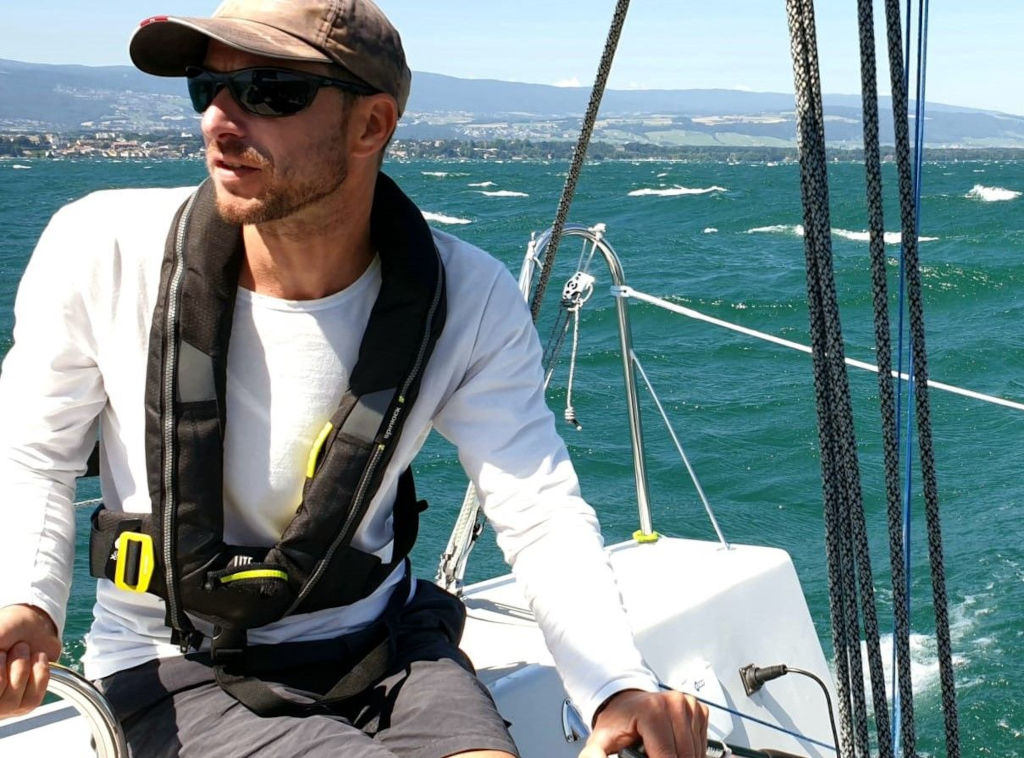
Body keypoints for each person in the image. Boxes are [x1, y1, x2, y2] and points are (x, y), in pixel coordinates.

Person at [0, 1, 709, 756]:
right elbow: (32, 451)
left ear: (373, 125)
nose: (219, 121)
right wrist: (25, 600)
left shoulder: (466, 297)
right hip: (177, 665)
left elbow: (536, 507)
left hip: (385, 647)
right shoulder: (100, 248)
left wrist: (614, 685)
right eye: (206, 88)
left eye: (271, 92)